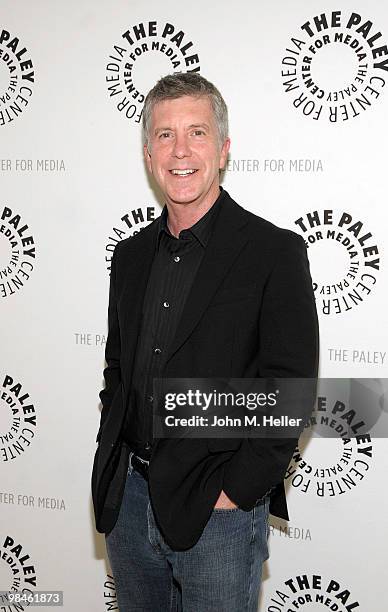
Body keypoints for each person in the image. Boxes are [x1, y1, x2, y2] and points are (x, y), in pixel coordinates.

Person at [91, 72, 319, 612]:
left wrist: (236, 493)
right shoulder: (128, 257)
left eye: (196, 132)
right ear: (149, 154)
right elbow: (117, 370)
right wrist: (115, 466)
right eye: (165, 136)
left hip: (218, 513)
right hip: (128, 503)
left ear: (223, 148)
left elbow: (289, 392)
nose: (181, 150)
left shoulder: (273, 253)